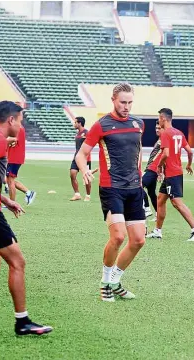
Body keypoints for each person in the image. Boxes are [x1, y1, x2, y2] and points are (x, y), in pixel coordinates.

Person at [0, 100, 53, 335]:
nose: (22, 124)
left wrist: (5, 200)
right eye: (21, 119)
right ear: (12, 119)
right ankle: (22, 322)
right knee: (17, 262)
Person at [75, 83, 146, 302]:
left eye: (130, 102)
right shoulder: (102, 125)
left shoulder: (138, 124)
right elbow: (82, 153)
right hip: (111, 187)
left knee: (138, 241)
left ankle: (115, 281)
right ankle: (104, 282)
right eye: (123, 102)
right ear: (113, 100)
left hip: (134, 188)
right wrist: (85, 170)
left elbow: (138, 150)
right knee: (118, 236)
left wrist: (140, 171)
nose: (126, 106)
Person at [147, 108, 194, 241]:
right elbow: (190, 152)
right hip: (175, 172)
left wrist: (158, 167)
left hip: (172, 174)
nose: (158, 121)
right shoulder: (179, 133)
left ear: (163, 118)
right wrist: (189, 164)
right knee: (160, 200)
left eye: (159, 118)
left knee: (177, 202)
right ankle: (157, 231)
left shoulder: (165, 133)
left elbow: (166, 154)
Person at [6, 124, 36, 205]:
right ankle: (29, 192)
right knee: (7, 180)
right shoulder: (17, 127)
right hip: (13, 157)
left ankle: (12, 203)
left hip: (14, 158)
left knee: (10, 180)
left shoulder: (17, 127)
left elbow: (13, 139)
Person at [70, 117, 94, 201]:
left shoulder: (87, 133)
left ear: (80, 123)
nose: (74, 124)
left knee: (86, 177)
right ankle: (77, 194)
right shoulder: (78, 133)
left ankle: (88, 195)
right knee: (72, 174)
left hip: (85, 159)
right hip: (76, 157)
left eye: (75, 122)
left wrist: (87, 157)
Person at [142, 123, 162, 220]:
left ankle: (147, 208)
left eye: (159, 128)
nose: (157, 130)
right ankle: (159, 214)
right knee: (151, 193)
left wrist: (161, 171)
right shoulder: (159, 139)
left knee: (138, 186)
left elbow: (166, 155)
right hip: (151, 168)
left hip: (153, 169)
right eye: (156, 128)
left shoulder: (164, 139)